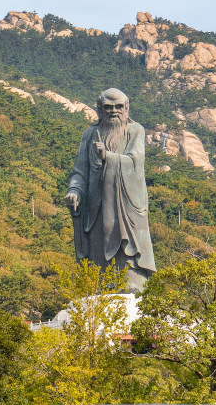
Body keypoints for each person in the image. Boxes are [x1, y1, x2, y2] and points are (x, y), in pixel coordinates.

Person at [65, 88, 156, 293]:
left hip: (125, 203)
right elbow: (79, 171)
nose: (113, 111)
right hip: (96, 205)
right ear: (99, 109)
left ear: (126, 108)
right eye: (108, 107)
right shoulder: (90, 134)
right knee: (98, 243)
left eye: (118, 107)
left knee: (127, 246)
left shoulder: (135, 130)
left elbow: (135, 162)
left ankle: (131, 281)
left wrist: (108, 157)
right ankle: (99, 283)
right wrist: (75, 190)